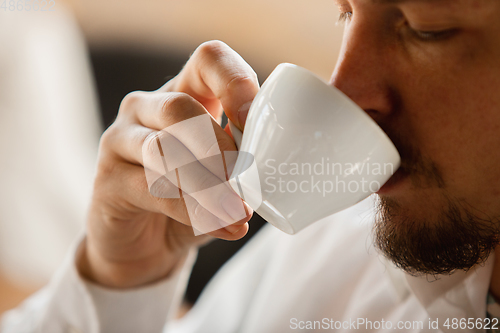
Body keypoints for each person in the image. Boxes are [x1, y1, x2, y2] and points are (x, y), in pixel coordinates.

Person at [2, 0, 500, 332]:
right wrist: (119, 283)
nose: (343, 90)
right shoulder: (330, 265)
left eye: (427, 29)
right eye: (345, 12)